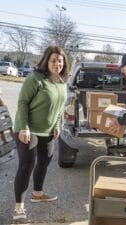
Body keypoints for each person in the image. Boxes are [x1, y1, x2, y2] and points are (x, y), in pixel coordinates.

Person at [13, 46, 69, 221]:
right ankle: (19, 207)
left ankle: (37, 194)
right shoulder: (36, 78)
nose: (57, 64)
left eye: (60, 61)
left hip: (48, 132)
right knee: (26, 165)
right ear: (46, 61)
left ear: (64, 63)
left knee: (44, 162)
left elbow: (60, 108)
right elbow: (22, 103)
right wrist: (24, 127)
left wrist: (58, 125)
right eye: (53, 60)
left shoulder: (61, 82)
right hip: (28, 130)